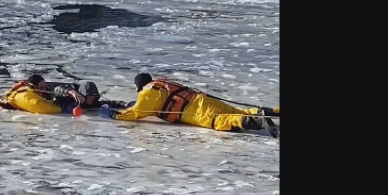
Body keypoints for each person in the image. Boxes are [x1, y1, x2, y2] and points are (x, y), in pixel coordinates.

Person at [97, 73, 279, 138]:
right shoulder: (162, 83)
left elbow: (134, 114)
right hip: (205, 100)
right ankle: (271, 112)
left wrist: (110, 114)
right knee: (237, 110)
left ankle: (259, 122)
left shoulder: (146, 93)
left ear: (139, 86)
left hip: (197, 111)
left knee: (220, 121)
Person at [0, 74, 79, 114]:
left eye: (44, 87)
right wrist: (63, 108)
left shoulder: (27, 91)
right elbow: (40, 106)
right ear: (33, 87)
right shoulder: (25, 95)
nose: (44, 90)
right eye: (41, 88)